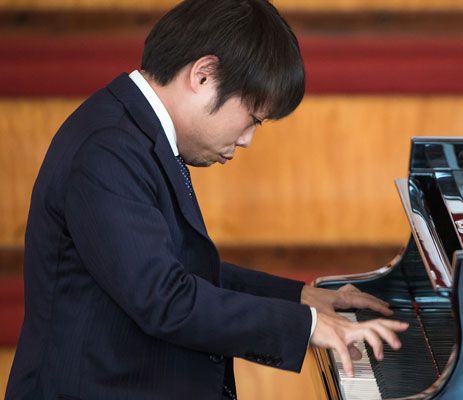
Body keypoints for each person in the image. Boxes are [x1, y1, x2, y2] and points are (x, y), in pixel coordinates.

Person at [5, 0, 408, 398]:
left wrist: (299, 297)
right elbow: (164, 298)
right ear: (203, 75)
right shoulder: (107, 149)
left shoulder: (131, 132)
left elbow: (178, 267)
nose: (248, 139)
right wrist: (306, 325)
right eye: (252, 118)